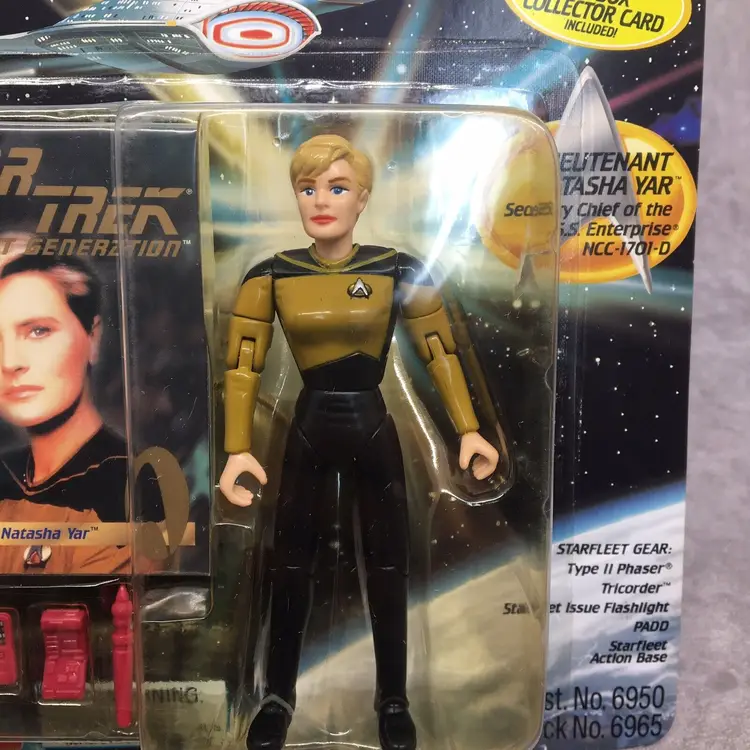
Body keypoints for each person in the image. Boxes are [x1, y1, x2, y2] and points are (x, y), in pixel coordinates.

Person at [220, 134, 500, 750]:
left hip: (372, 424)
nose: (322, 201)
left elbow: (440, 351)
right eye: (308, 188)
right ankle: (276, 697)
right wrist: (238, 449)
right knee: (290, 566)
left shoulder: (397, 269)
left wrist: (469, 431)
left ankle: (393, 699)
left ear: (363, 198)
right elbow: (242, 364)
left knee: (389, 565)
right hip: (309, 425)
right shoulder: (272, 275)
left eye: (338, 187)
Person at [0, 253, 131, 574]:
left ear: (93, 337)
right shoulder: (7, 472)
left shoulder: (126, 482)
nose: (10, 362)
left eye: (38, 331)